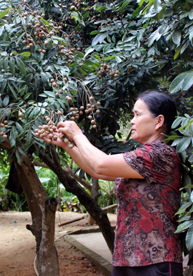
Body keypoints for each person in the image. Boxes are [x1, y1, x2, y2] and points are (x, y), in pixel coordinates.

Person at [35, 90, 183, 276]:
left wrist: (78, 135)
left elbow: (101, 164)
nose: (131, 120)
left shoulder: (161, 155)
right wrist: (67, 145)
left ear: (159, 121)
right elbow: (97, 171)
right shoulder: (142, 156)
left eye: (137, 114)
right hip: (126, 259)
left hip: (157, 261)